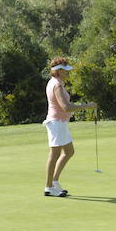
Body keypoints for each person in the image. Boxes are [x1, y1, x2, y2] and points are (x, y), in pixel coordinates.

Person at [43, 57, 97, 197]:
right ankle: (48, 187)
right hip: (57, 123)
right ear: (59, 71)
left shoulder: (55, 82)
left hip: (60, 123)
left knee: (69, 151)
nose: (68, 73)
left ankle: (54, 182)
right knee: (54, 154)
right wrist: (87, 106)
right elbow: (66, 107)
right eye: (65, 71)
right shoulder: (57, 85)